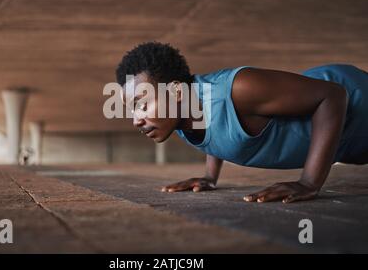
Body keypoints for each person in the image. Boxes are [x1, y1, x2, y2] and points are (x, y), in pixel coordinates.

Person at [115, 41, 368, 203]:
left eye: (142, 104)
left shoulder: (238, 88)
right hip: (344, 142)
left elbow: (333, 95)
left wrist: (309, 182)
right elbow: (217, 128)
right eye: (132, 109)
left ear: (177, 92)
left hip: (355, 102)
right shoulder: (179, 118)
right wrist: (209, 177)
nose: (136, 120)